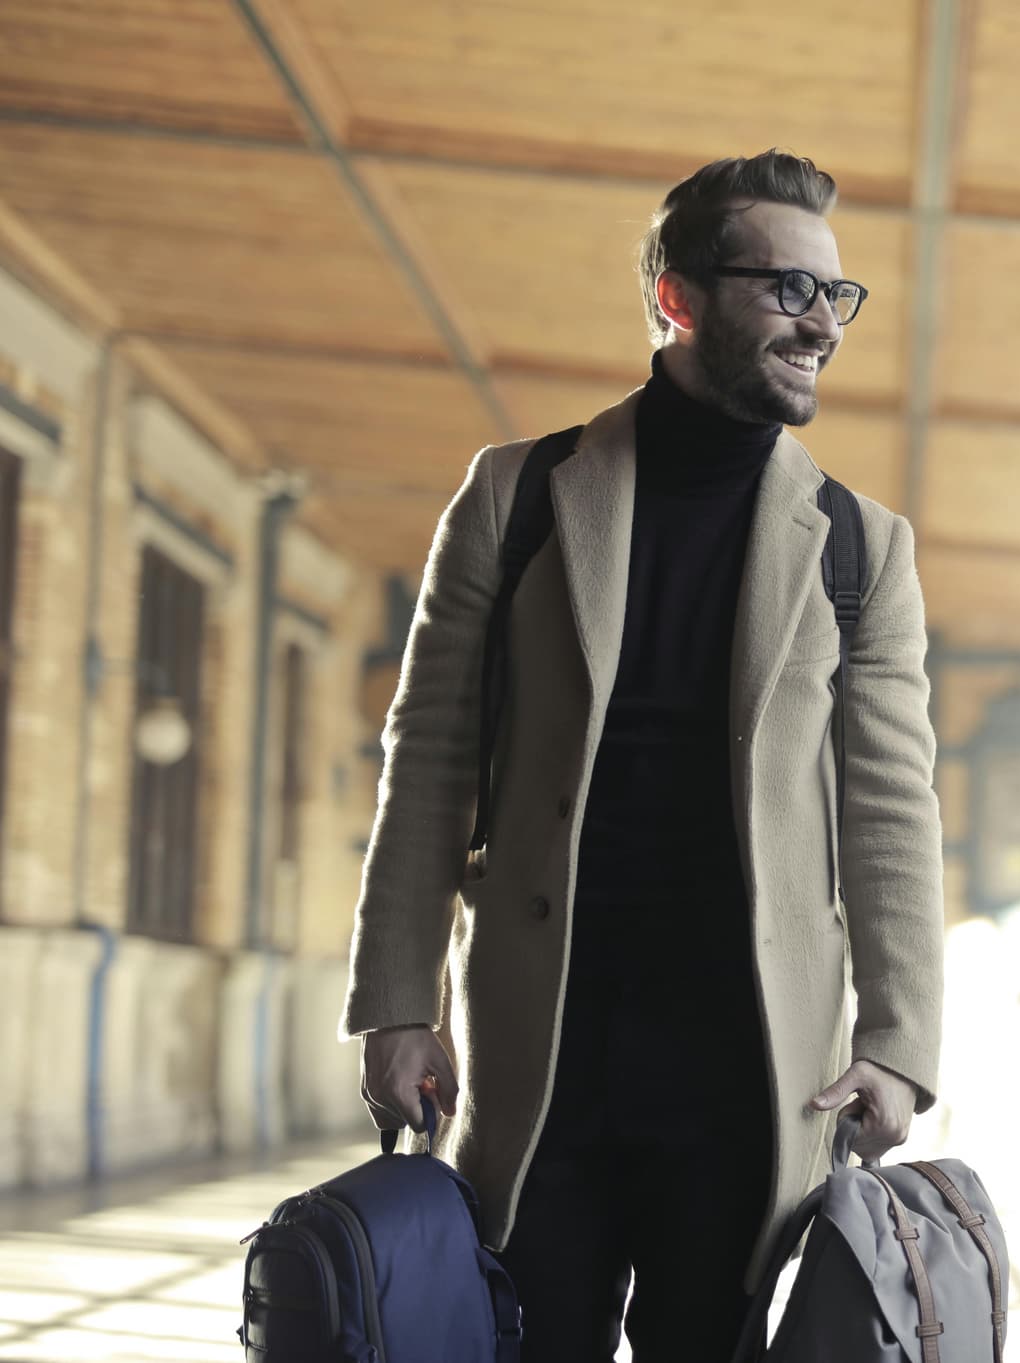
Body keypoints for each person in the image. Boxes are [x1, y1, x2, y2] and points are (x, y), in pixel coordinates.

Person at [338, 150, 945, 1362]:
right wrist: (398, 999)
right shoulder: (514, 498)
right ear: (678, 300)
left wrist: (896, 1039)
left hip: (749, 1064)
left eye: (837, 296)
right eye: (787, 290)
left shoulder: (857, 548)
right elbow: (430, 756)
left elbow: (891, 809)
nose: (822, 323)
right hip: (542, 1049)